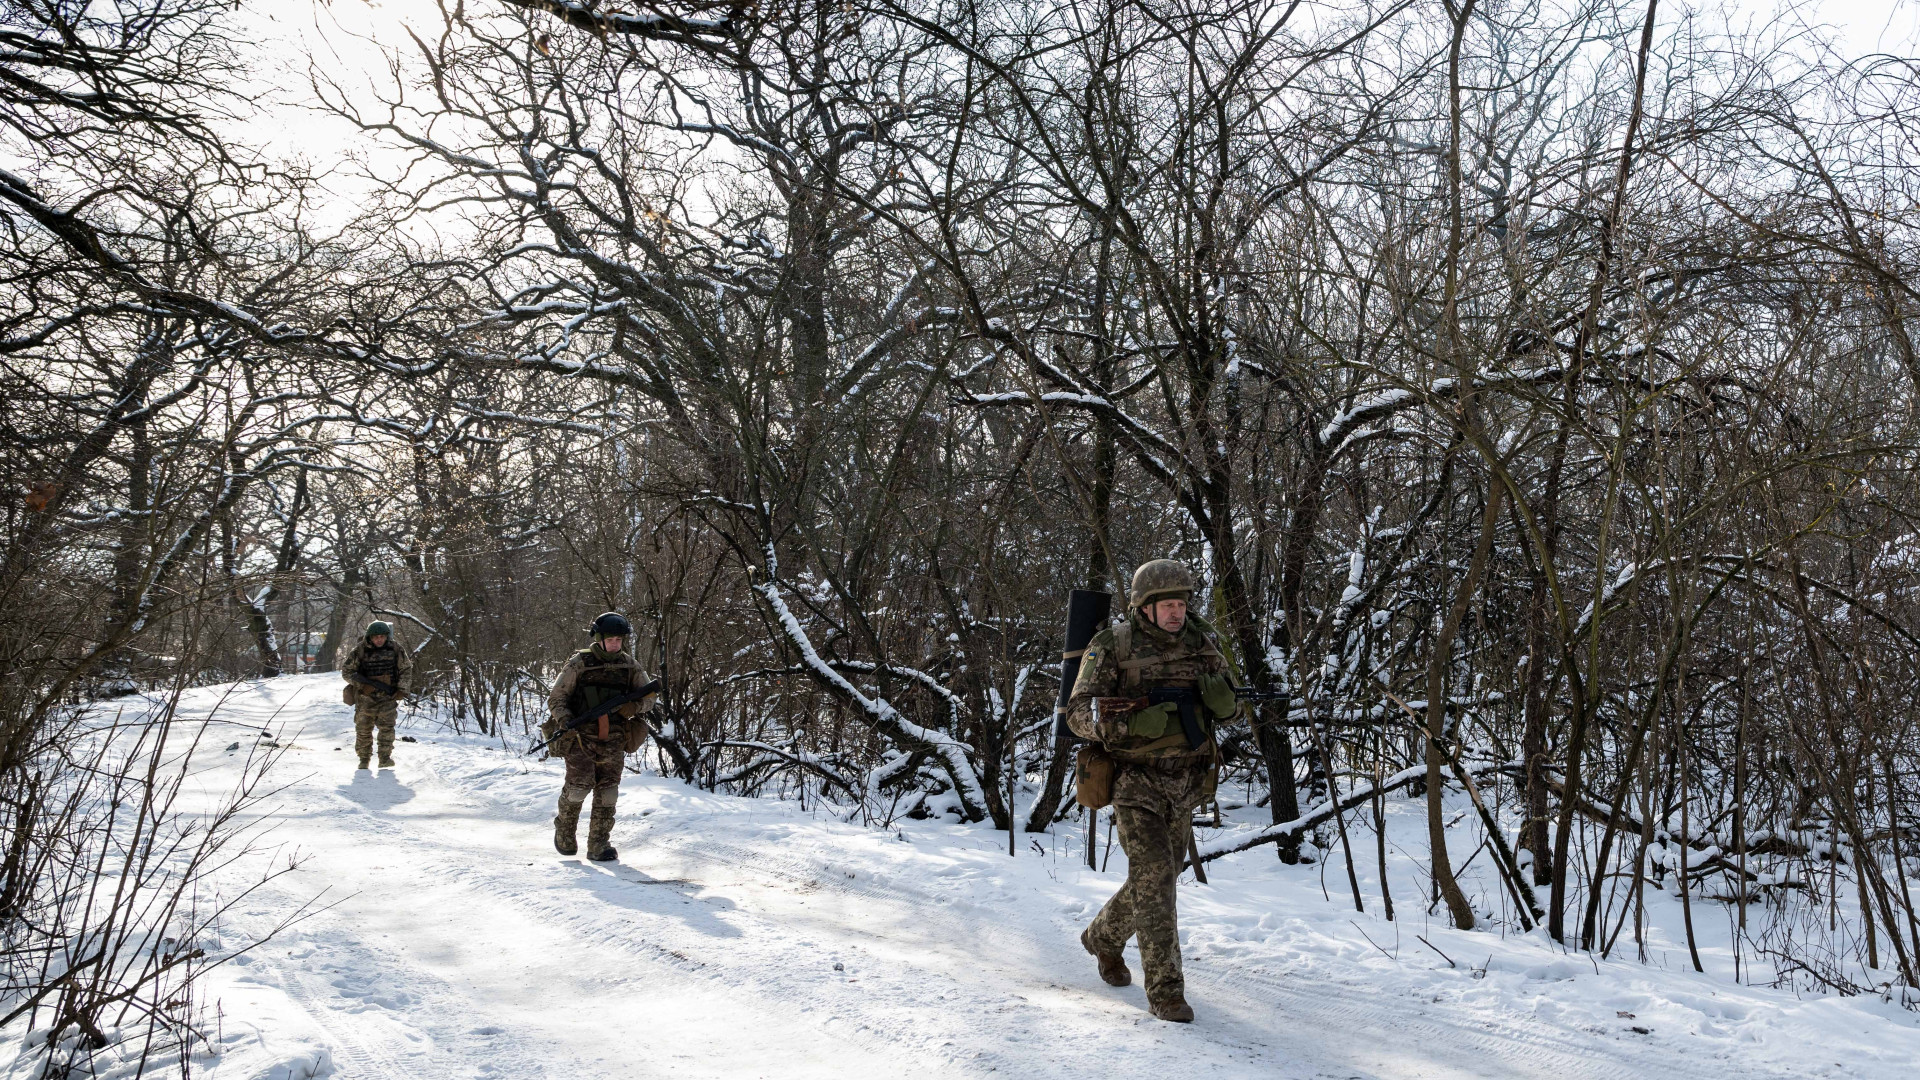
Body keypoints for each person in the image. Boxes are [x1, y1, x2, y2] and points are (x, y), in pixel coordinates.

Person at [1065, 560, 1239, 1023]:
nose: (1176, 613)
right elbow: (1077, 713)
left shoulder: (1203, 643)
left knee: (1159, 876)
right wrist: (1129, 723)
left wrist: (1226, 705)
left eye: (1181, 604)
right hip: (1134, 780)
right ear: (1145, 607)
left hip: (1186, 781)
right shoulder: (1114, 645)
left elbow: (1230, 706)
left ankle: (1102, 937)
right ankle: (1165, 992)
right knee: (1157, 875)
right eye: (1167, 606)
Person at [544, 611, 658, 861]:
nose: (615, 644)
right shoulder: (579, 663)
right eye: (610, 640)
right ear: (599, 639)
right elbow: (557, 697)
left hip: (614, 738)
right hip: (580, 737)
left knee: (608, 792)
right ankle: (564, 830)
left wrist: (634, 707)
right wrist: (566, 721)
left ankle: (599, 844)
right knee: (578, 788)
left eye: (619, 640)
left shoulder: (629, 665)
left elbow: (650, 698)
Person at [339, 620, 412, 770]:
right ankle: (364, 759)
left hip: (388, 697)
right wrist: (362, 685)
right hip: (365, 698)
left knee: (387, 728)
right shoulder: (360, 650)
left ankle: (384, 758)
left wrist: (402, 689)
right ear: (370, 637)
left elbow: (406, 669)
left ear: (386, 636)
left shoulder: (396, 649)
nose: (379, 640)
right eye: (375, 637)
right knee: (363, 729)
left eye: (382, 636)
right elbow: (346, 672)